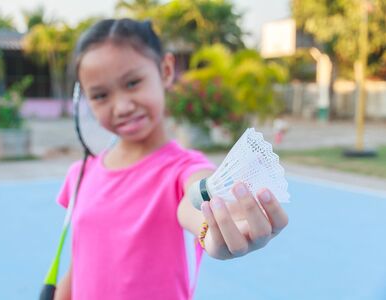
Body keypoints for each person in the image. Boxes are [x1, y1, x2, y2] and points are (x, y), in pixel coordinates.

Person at [54, 18, 289, 300]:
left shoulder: (181, 170)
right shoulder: (80, 174)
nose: (122, 106)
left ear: (165, 70)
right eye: (100, 95)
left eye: (132, 83)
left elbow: (195, 199)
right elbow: (80, 260)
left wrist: (215, 233)